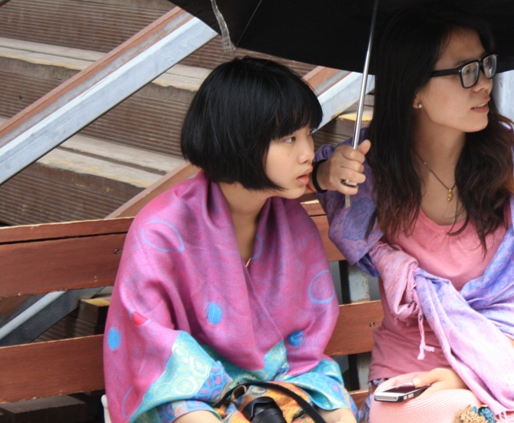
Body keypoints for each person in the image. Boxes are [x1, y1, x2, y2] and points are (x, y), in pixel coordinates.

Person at [312, 5, 514, 422]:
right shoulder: (370, 169)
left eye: (486, 65)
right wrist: (323, 173)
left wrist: (462, 374)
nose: (484, 85)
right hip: (409, 368)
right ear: (413, 90)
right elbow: (280, 172)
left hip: (505, 363)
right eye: (466, 72)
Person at [104, 57, 357, 423]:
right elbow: (152, 350)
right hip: (183, 388)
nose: (307, 152)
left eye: (307, 134)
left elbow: (305, 355)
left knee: (337, 414)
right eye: (289, 138)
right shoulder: (160, 229)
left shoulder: (293, 223)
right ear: (241, 141)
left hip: (279, 379)